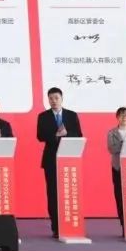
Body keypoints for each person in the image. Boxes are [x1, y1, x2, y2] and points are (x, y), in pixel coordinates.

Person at [36, 87, 82, 238]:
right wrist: (55, 134)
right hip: (51, 159)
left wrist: (67, 134)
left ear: (62, 99)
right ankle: (56, 226)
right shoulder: (43, 116)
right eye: (51, 98)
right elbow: (40, 136)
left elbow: (79, 134)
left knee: (68, 193)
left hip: (69, 160)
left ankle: (70, 224)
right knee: (53, 193)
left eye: (56, 98)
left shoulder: (71, 115)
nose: (53, 101)